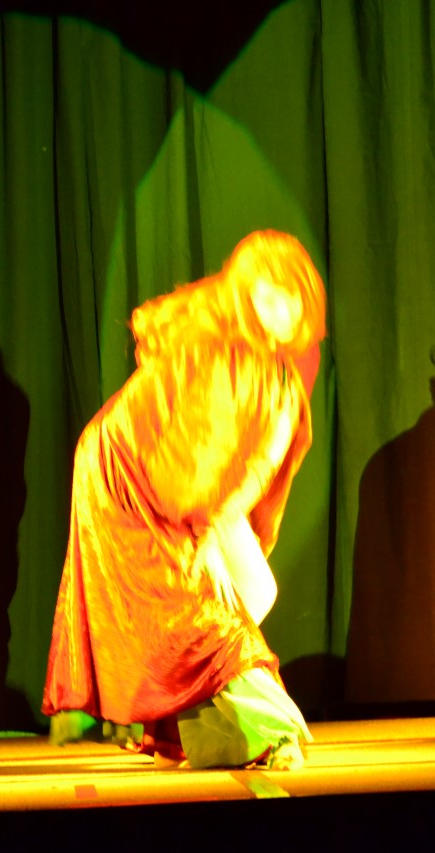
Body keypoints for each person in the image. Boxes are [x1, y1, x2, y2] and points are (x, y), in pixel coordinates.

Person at [42, 231, 326, 771]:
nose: (281, 310)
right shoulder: (217, 354)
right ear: (245, 300)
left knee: (249, 591)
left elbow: (260, 466)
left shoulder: (282, 379)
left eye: (290, 297)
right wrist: (201, 538)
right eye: (266, 298)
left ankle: (179, 725)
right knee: (197, 609)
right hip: (125, 476)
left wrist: (218, 529)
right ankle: (272, 733)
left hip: (189, 488)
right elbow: (191, 457)